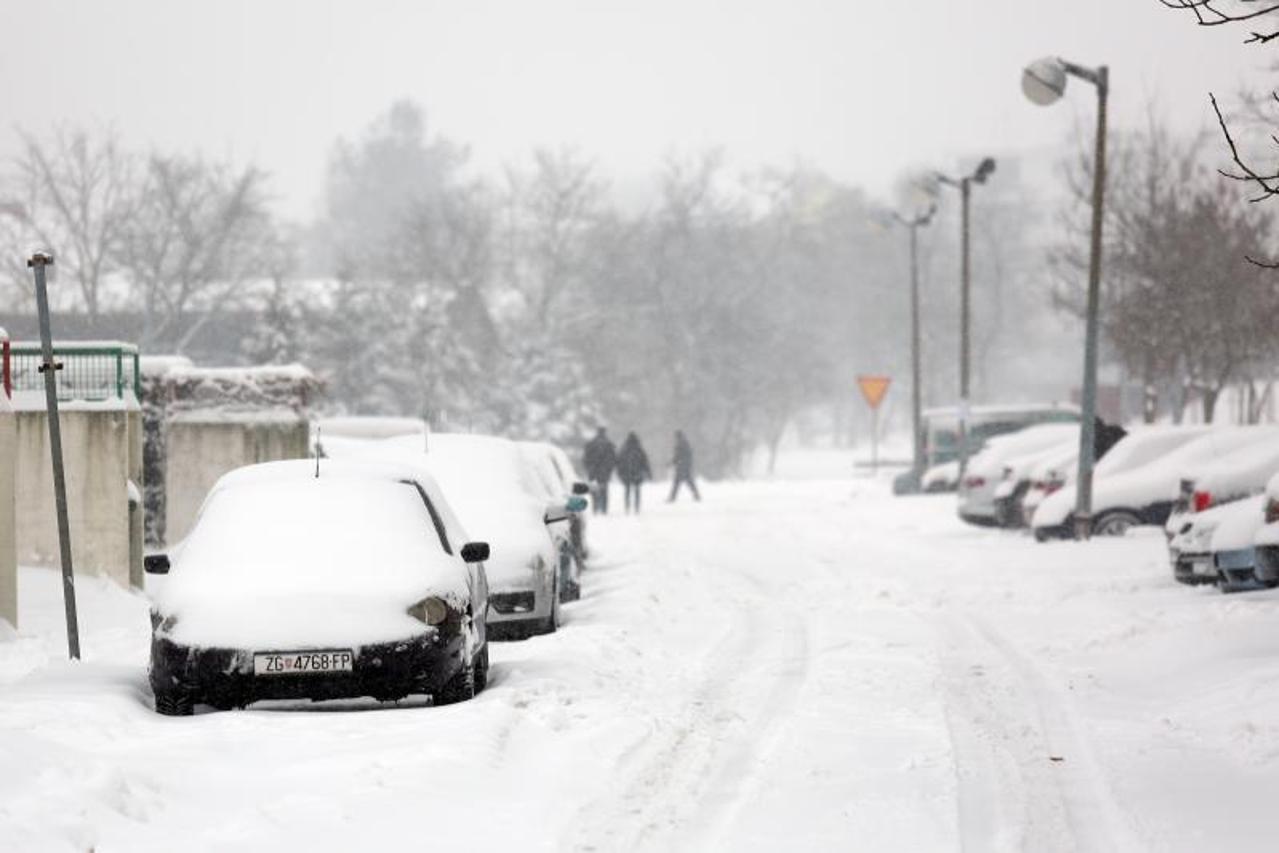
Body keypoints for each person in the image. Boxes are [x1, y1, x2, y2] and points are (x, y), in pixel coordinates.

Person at [582, 426, 617, 515]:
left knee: (594, 490)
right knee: (604, 490)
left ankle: (595, 507)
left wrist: (588, 468)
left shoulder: (590, 444)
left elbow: (585, 458)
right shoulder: (609, 445)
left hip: (593, 471)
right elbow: (613, 459)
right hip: (604, 472)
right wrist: (610, 469)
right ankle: (604, 508)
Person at [616, 431, 652, 514]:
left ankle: (627, 507)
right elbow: (645, 462)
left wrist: (620, 472)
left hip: (627, 473)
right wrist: (648, 473)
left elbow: (619, 462)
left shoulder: (624, 449)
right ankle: (637, 507)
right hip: (637, 473)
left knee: (627, 490)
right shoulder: (639, 449)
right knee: (637, 491)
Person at [667, 429, 701, 502]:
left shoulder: (680, 444)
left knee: (677, 483)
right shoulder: (685, 444)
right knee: (688, 482)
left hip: (681, 467)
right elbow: (687, 456)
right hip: (685, 466)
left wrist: (672, 463)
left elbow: (678, 456)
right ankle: (696, 496)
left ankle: (672, 498)